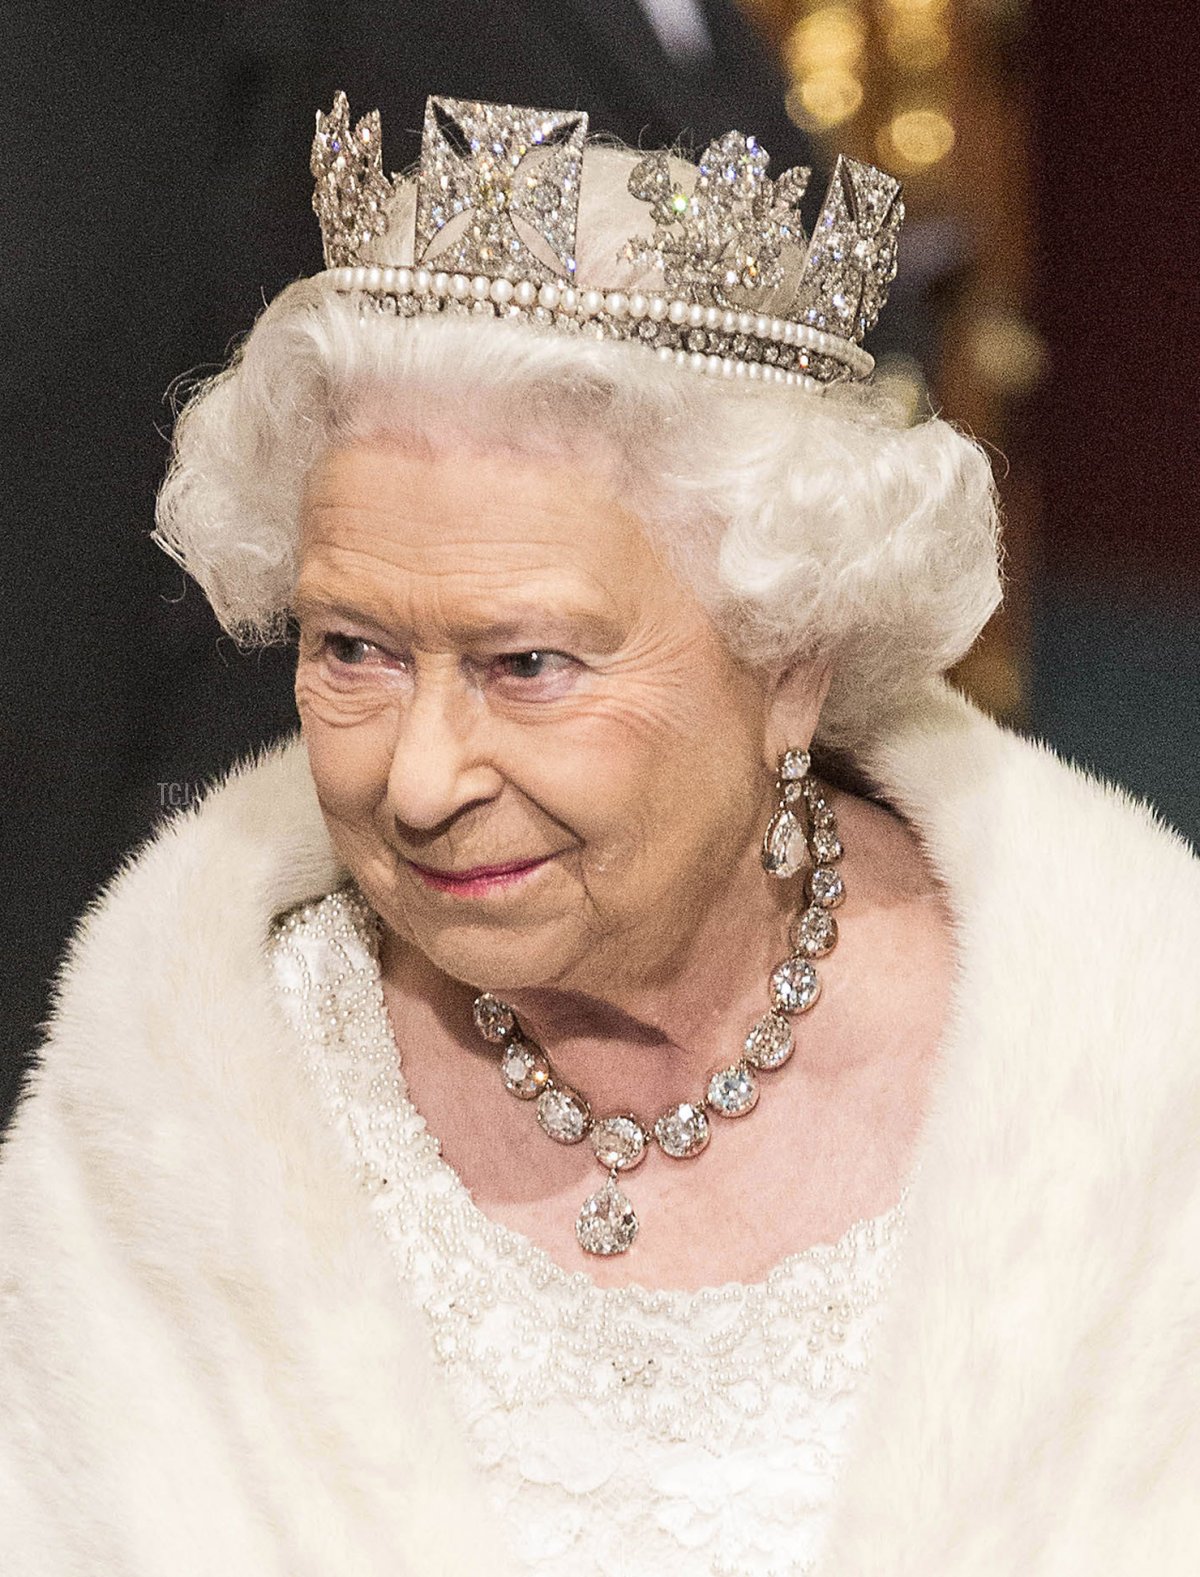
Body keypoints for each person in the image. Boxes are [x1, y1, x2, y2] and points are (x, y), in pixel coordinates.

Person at [1, 92, 1197, 1576]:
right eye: (353, 648)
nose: (421, 779)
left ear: (792, 660)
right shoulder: (178, 1097)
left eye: (529, 664)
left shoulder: (1131, 1060)